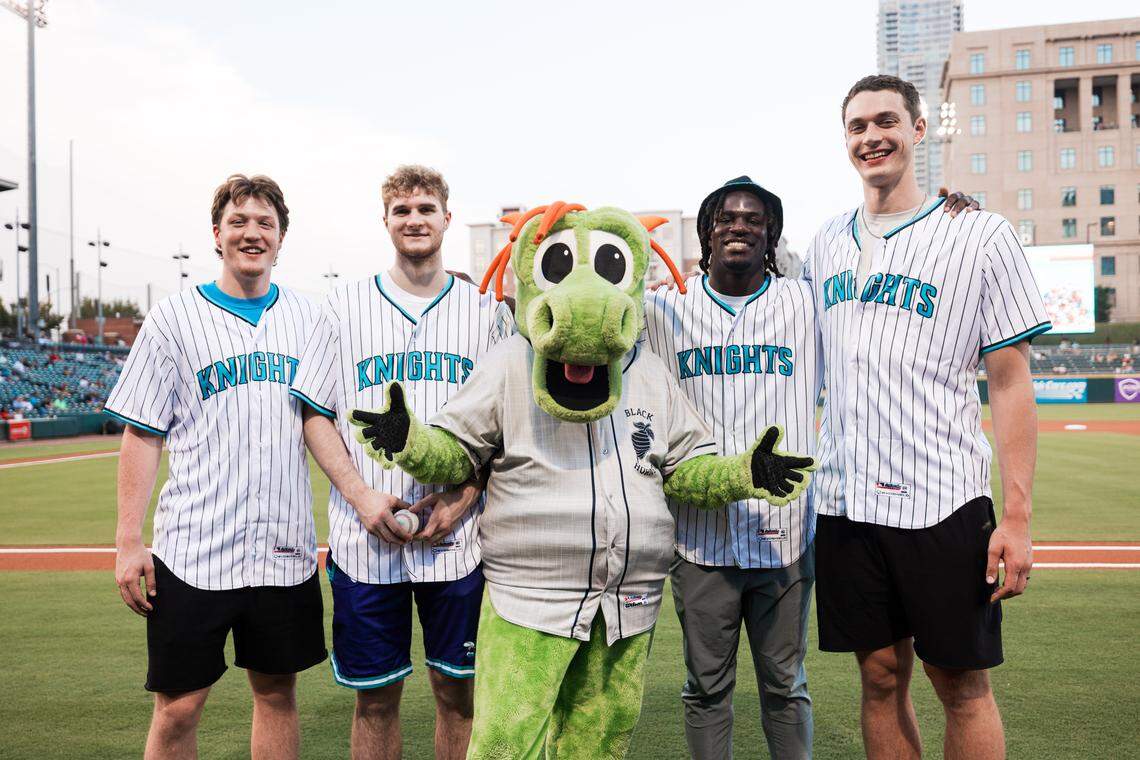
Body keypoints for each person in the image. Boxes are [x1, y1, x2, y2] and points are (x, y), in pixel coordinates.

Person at [805, 75, 1050, 760]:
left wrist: (1018, 518)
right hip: (848, 501)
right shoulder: (825, 242)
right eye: (856, 126)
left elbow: (1009, 382)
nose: (870, 136)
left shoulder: (979, 234)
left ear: (918, 130)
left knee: (961, 685)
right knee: (879, 677)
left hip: (942, 500)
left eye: (885, 121)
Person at [290, 165, 512, 760]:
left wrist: (463, 497)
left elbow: (505, 424)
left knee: (457, 692)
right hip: (366, 541)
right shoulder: (341, 309)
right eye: (402, 210)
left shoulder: (485, 312)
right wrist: (361, 497)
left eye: (425, 208)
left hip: (459, 542)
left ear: (446, 216)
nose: (414, 219)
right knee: (376, 698)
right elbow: (315, 414)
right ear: (386, 221)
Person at [107, 174, 327, 759]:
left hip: (284, 549)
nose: (252, 234)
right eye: (239, 222)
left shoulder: (311, 320)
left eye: (265, 224)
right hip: (192, 550)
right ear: (217, 234)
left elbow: (326, 428)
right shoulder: (172, 319)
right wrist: (129, 540)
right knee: (179, 706)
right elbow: (142, 432)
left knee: (277, 693)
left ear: (281, 238)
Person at [644, 177, 821, 759]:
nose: (738, 226)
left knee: (786, 686)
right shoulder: (665, 310)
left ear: (770, 233)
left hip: (785, 538)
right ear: (706, 232)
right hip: (700, 540)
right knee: (705, 688)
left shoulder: (806, 302)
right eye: (725, 219)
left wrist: (947, 212)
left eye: (752, 219)